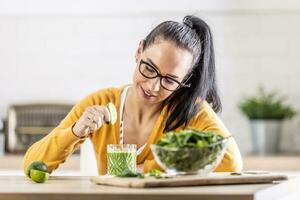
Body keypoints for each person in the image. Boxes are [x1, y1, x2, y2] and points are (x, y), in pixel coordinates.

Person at [23, 15, 243, 175]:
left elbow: (231, 162)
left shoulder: (190, 110)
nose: (153, 86)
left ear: (184, 81)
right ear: (139, 51)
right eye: (149, 68)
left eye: (169, 80)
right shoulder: (100, 102)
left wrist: (143, 169)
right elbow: (32, 165)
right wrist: (74, 132)